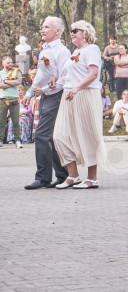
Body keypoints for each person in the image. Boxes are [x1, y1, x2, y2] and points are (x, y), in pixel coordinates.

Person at [52, 20, 108, 189]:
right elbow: (67, 75)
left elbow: (93, 74)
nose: (72, 33)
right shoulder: (75, 52)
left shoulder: (92, 49)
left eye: (76, 30)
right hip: (69, 95)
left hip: (85, 94)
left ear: (85, 33)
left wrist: (76, 88)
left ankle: (92, 178)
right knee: (59, 136)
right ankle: (73, 175)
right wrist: (54, 81)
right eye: (71, 30)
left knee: (87, 134)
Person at [22, 17, 71, 189]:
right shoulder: (43, 51)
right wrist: (30, 93)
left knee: (42, 134)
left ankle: (43, 177)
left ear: (58, 31)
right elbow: (41, 76)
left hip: (56, 96)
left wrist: (46, 91)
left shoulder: (62, 52)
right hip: (44, 96)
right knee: (49, 136)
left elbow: (65, 79)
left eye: (47, 27)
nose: (42, 30)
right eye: (42, 27)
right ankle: (63, 175)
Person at [1, 56, 23, 148]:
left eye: (11, 62)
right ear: (3, 63)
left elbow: (18, 82)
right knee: (1, 121)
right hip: (2, 100)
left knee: (15, 122)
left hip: (14, 99)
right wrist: (11, 82)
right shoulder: (0, 73)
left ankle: (17, 140)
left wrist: (5, 81)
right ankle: (0, 140)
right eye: (8, 62)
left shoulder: (16, 71)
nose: (10, 64)